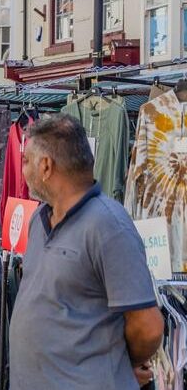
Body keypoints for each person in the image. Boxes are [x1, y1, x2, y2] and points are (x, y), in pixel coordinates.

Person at [9, 114, 164, 389]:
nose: (23, 171)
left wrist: (120, 363)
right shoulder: (39, 219)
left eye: (26, 161)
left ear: (46, 166)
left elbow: (148, 328)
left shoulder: (108, 225)